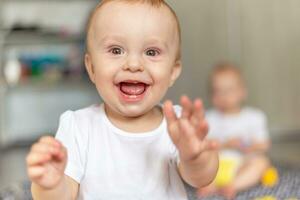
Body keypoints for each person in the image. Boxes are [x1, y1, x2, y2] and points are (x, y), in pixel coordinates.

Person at [26, 1, 218, 199]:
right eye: (116, 50)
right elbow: (63, 195)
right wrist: (50, 185)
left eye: (151, 52)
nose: (133, 64)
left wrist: (195, 158)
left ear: (173, 71)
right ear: (91, 68)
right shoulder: (79, 127)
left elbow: (201, 178)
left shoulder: (177, 126)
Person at [198, 62, 271, 199]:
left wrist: (251, 147)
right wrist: (226, 144)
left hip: (241, 165)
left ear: (243, 92)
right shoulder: (209, 118)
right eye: (217, 91)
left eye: (229, 90)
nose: (223, 96)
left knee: (262, 162)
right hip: (216, 166)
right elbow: (203, 145)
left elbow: (264, 144)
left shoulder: (254, 117)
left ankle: (233, 185)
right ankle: (209, 184)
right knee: (198, 159)